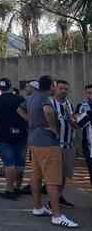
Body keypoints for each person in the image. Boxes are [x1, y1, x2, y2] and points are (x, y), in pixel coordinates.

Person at [20, 75, 78, 228]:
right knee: (53, 180)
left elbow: (20, 109)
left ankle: (38, 207)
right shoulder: (46, 98)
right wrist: (53, 128)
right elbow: (48, 111)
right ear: (52, 86)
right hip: (47, 143)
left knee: (36, 176)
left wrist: (32, 122)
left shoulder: (32, 97)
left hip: (34, 142)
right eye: (56, 86)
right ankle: (57, 215)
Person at [0, 78, 28, 200]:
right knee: (20, 163)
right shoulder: (21, 99)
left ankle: (9, 190)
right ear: (11, 87)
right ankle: (18, 187)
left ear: (0, 88)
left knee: (9, 163)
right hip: (21, 135)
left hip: (3, 136)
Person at [51, 80, 76, 208]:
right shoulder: (49, 103)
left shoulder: (69, 104)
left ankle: (59, 197)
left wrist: (73, 121)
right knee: (55, 175)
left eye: (66, 89)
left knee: (64, 174)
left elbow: (73, 123)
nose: (64, 91)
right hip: (54, 145)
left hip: (68, 144)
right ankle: (52, 202)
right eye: (61, 88)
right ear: (55, 88)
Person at [75, 85, 92, 187]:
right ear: (86, 94)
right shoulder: (81, 106)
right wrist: (88, 114)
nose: (91, 95)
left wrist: (87, 115)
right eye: (89, 93)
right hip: (88, 144)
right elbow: (78, 123)